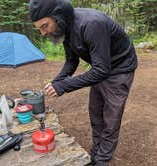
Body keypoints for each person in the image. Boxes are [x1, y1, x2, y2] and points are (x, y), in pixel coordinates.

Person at [29, 0, 138, 165]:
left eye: (45, 26)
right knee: (96, 114)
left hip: (120, 69)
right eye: (40, 29)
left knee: (110, 121)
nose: (43, 33)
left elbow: (101, 71)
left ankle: (101, 161)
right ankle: (95, 155)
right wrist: (56, 82)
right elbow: (72, 61)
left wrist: (63, 86)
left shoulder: (92, 24)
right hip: (101, 67)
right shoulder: (65, 27)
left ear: (57, 16)